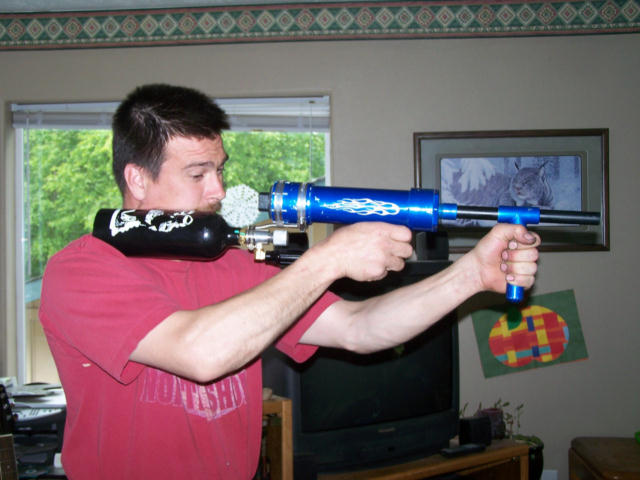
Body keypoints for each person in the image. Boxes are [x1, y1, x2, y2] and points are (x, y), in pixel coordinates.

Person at [39, 83, 540, 479]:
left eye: (220, 170)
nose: (219, 190)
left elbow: (359, 328)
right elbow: (199, 354)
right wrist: (328, 258)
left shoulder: (233, 262)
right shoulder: (81, 270)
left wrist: (470, 275)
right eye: (197, 174)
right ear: (137, 179)